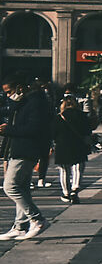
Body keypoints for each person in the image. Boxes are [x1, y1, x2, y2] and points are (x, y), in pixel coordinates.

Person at [2, 79, 53, 239]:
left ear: (20, 87)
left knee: (10, 187)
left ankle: (37, 219)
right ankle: (20, 226)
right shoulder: (26, 102)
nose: (9, 95)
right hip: (18, 149)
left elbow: (33, 129)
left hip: (26, 150)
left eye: (10, 91)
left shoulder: (35, 103)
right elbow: (10, 113)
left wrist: (9, 130)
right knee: (22, 188)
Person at [50, 93, 92, 205]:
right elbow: (88, 131)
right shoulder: (82, 116)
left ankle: (66, 192)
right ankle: (75, 188)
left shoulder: (59, 117)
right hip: (78, 145)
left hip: (62, 146)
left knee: (64, 170)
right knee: (78, 167)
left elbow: (53, 133)